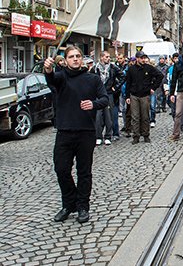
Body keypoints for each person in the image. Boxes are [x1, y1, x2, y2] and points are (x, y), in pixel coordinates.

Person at [44, 46, 108, 224]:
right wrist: (48, 68)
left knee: (84, 172)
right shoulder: (61, 77)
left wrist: (93, 104)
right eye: (71, 56)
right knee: (61, 169)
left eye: (78, 56)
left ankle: (82, 207)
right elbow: (51, 78)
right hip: (64, 131)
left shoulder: (93, 79)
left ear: (82, 59)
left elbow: (104, 98)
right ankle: (68, 203)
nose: (75, 59)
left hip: (86, 132)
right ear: (65, 60)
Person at [125, 51, 163, 144]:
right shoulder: (131, 69)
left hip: (145, 95)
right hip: (134, 95)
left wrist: (153, 87)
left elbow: (160, 76)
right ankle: (136, 136)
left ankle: (146, 135)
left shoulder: (149, 68)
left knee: (145, 116)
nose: (143, 60)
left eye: (144, 58)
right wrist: (127, 96)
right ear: (137, 58)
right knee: (135, 117)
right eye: (141, 58)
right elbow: (128, 83)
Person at [90, 51, 124, 146]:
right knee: (98, 116)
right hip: (98, 94)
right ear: (101, 57)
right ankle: (98, 136)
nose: (108, 58)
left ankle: (108, 136)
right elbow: (90, 79)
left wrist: (115, 87)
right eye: (106, 57)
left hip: (109, 93)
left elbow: (122, 76)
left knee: (109, 115)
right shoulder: (95, 68)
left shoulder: (113, 67)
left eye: (109, 57)